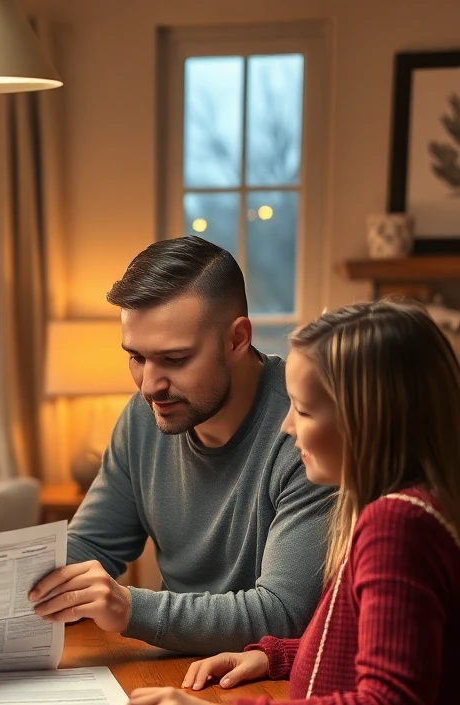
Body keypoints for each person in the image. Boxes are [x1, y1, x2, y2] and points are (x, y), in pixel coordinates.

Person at [119, 300, 460, 705]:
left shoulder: (398, 525)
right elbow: (388, 646)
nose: (286, 427)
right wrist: (277, 655)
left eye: (302, 410)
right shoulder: (405, 509)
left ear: (368, 419)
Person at [30, 236, 334, 653]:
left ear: (237, 339)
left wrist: (129, 608)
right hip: (172, 666)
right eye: (137, 357)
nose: (149, 386)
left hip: (268, 678)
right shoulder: (142, 419)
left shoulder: (308, 432)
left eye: (174, 359)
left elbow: (284, 612)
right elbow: (91, 547)